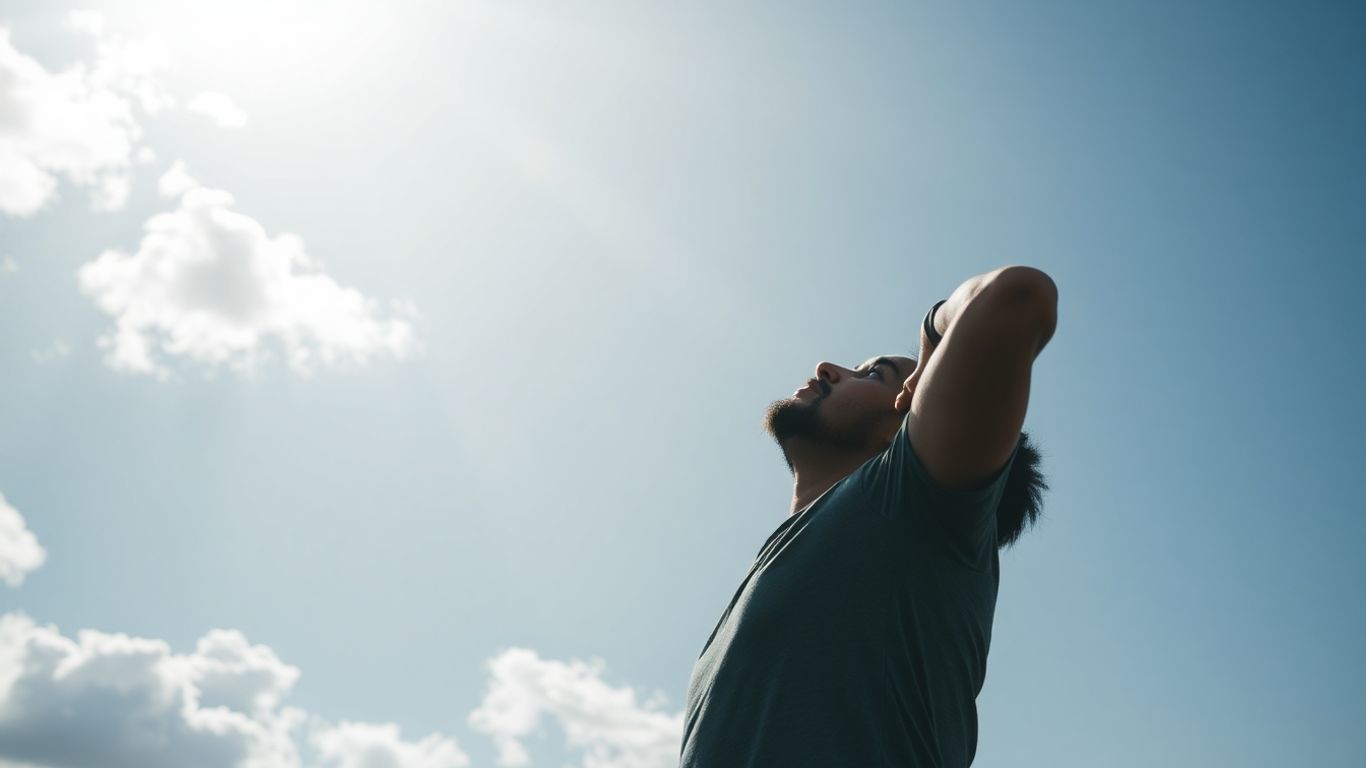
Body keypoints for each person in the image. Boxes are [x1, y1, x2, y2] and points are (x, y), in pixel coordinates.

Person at [679, 266, 1058, 767]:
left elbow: (1018, 294)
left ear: (914, 420)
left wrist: (932, 341)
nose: (827, 368)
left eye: (875, 375)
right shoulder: (783, 560)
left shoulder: (914, 504)